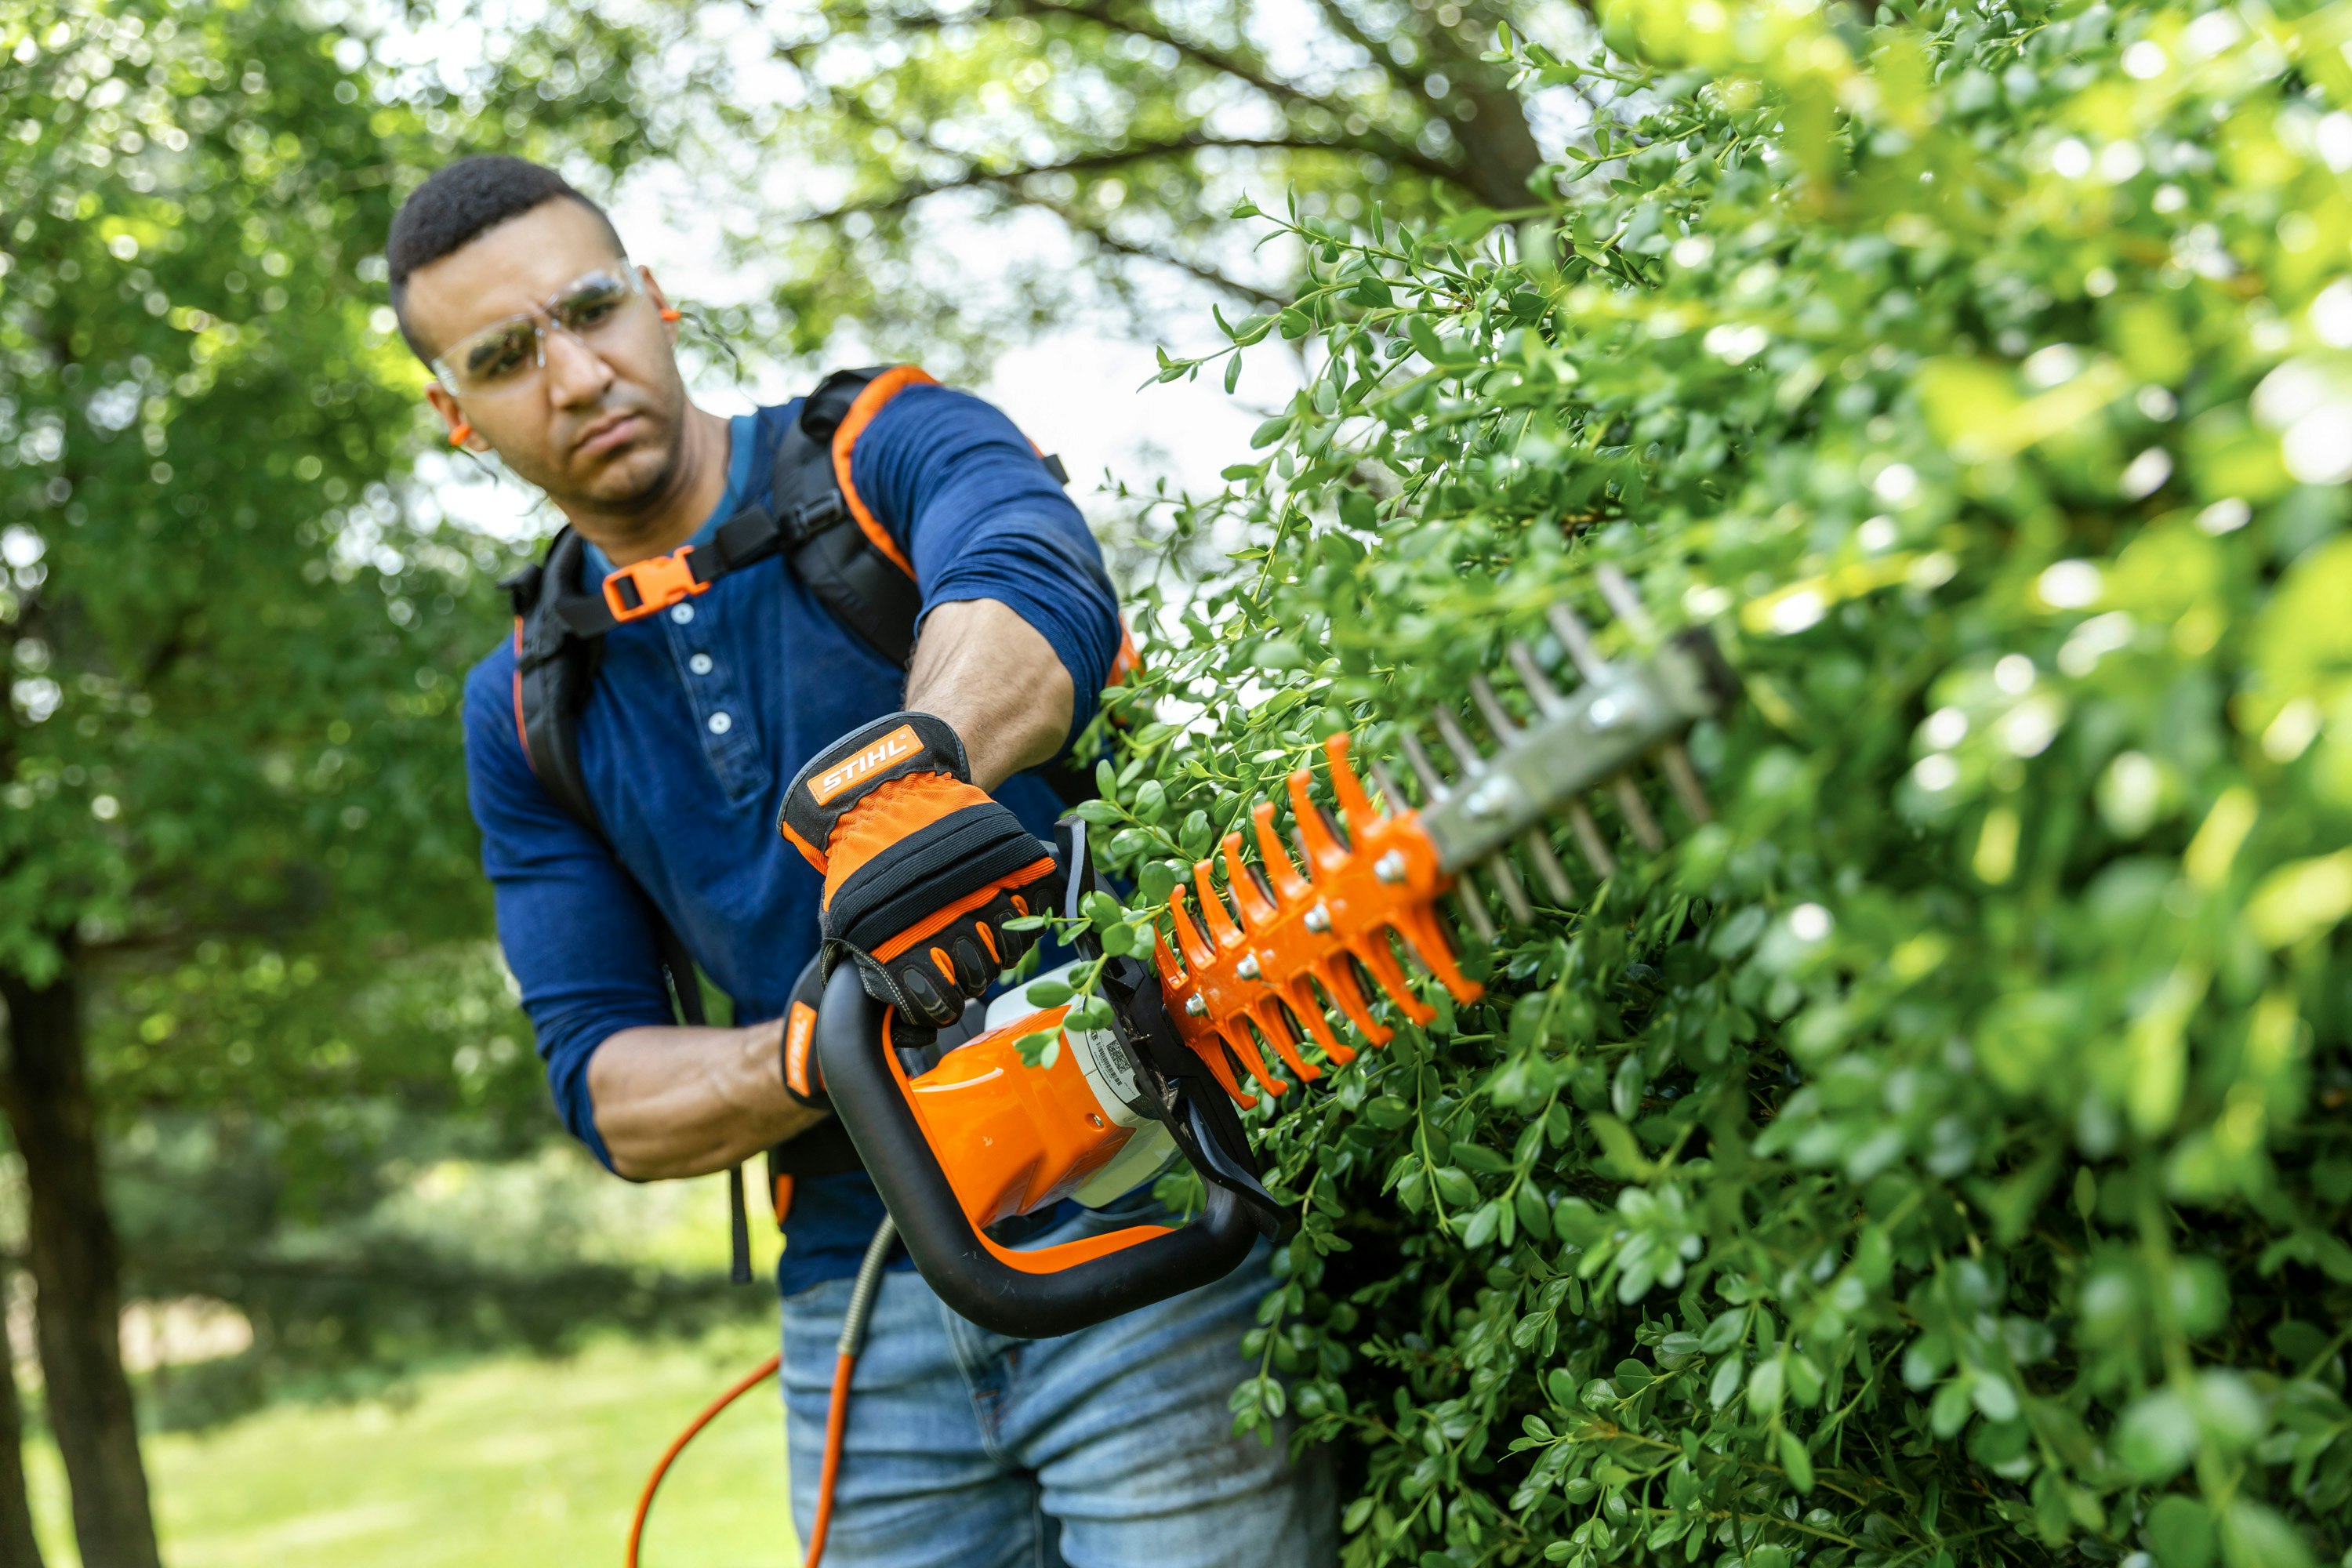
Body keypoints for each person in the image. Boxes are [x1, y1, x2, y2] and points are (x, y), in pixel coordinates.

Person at [389, 155, 1334, 1566]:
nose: (577, 374)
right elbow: (605, 1083)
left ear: (658, 299)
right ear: (457, 414)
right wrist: (815, 1052)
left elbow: (1032, 583)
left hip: (1132, 1203)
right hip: (861, 1310)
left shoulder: (881, 446)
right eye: (510, 355)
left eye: (592, 309)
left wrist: (909, 786)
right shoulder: (527, 701)